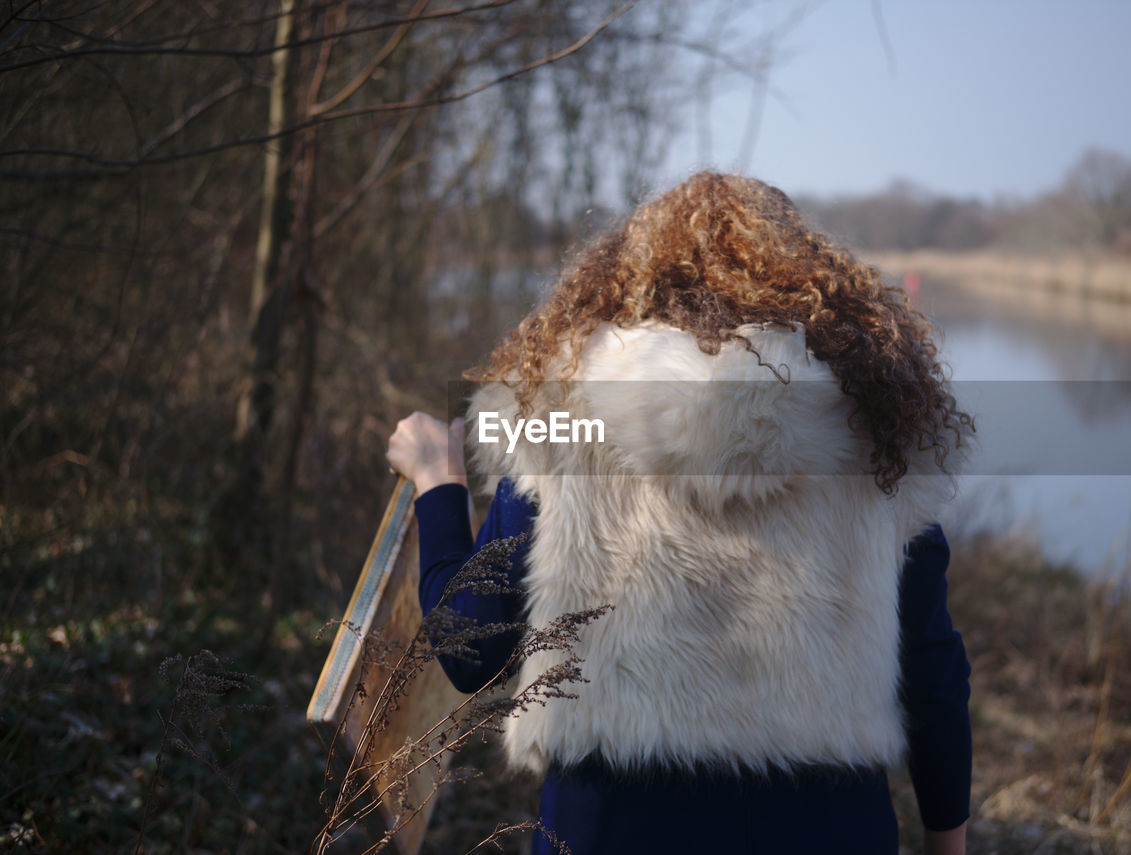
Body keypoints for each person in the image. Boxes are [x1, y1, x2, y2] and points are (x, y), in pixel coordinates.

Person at [387, 172, 974, 855]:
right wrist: (947, 842)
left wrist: (438, 482)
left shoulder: (561, 415)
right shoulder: (879, 437)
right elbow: (935, 675)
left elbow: (471, 648)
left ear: (624, 280)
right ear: (809, 280)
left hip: (609, 825)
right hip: (827, 826)